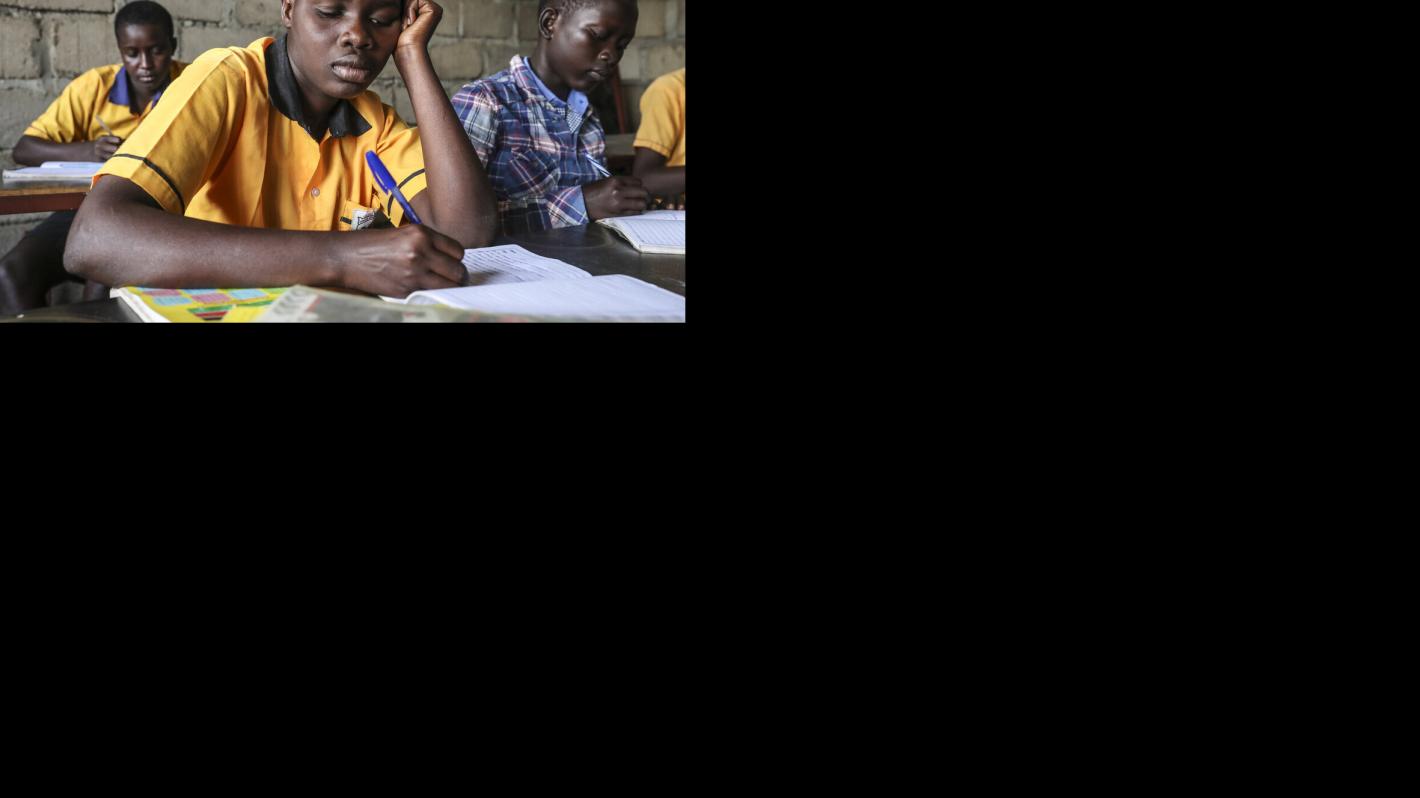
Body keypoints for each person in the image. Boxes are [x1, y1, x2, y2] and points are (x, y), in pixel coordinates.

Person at [65, 0, 497, 300]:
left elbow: (467, 234)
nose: (358, 35)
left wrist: (414, 56)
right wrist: (343, 258)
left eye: (382, 19)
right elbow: (95, 239)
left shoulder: (377, 124)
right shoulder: (227, 81)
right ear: (289, 9)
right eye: (330, 12)